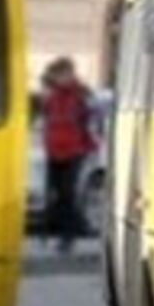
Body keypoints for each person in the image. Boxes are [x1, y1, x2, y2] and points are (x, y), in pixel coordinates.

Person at [41, 57, 96, 253]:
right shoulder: (52, 97)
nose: (60, 78)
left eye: (64, 74)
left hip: (74, 151)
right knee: (56, 194)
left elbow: (88, 123)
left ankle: (69, 236)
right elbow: (48, 123)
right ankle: (67, 230)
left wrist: (89, 146)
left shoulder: (79, 95)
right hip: (54, 150)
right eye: (58, 75)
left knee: (68, 194)